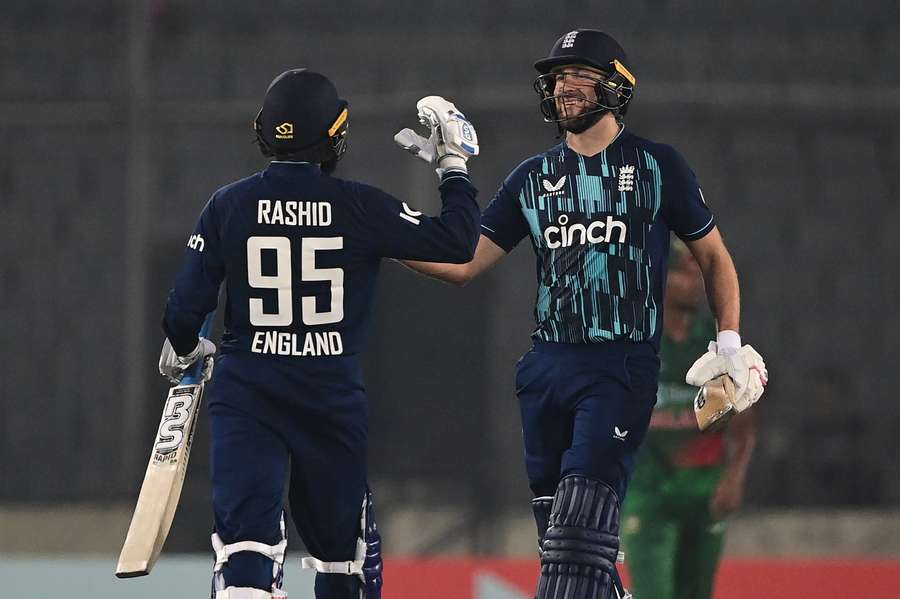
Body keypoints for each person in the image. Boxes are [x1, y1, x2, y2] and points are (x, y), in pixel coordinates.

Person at [399, 29, 767, 599]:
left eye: (580, 75)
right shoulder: (530, 177)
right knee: (565, 548)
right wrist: (382, 233)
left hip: (619, 369)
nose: (564, 87)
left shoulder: (656, 166)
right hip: (545, 370)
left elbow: (714, 256)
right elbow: (465, 261)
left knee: (574, 540)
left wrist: (727, 343)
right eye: (558, 77)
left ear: (616, 87)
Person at [157, 69, 481, 599]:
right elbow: (459, 241)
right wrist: (453, 165)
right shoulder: (360, 206)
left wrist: (190, 348)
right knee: (344, 559)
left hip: (247, 395)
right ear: (336, 135)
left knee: (245, 552)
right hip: (329, 400)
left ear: (263, 131)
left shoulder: (227, 205)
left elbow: (182, 314)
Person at [621, 241, 757, 599]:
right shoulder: (635, 346)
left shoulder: (716, 347)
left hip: (703, 493)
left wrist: (734, 479)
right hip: (647, 495)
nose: (696, 279)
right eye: (684, 271)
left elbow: (743, 427)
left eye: (699, 271)